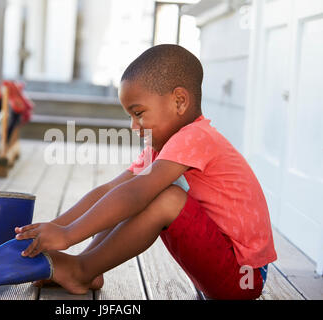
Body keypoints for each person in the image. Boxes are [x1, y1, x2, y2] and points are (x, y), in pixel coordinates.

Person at [15, 44, 277, 300]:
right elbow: (111, 190)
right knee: (125, 193)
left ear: (179, 101)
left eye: (138, 113)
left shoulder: (196, 136)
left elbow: (136, 194)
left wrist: (70, 234)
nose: (133, 125)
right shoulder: (162, 147)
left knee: (163, 197)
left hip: (244, 278)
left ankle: (82, 270)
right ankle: (87, 268)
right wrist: (58, 227)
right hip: (225, 267)